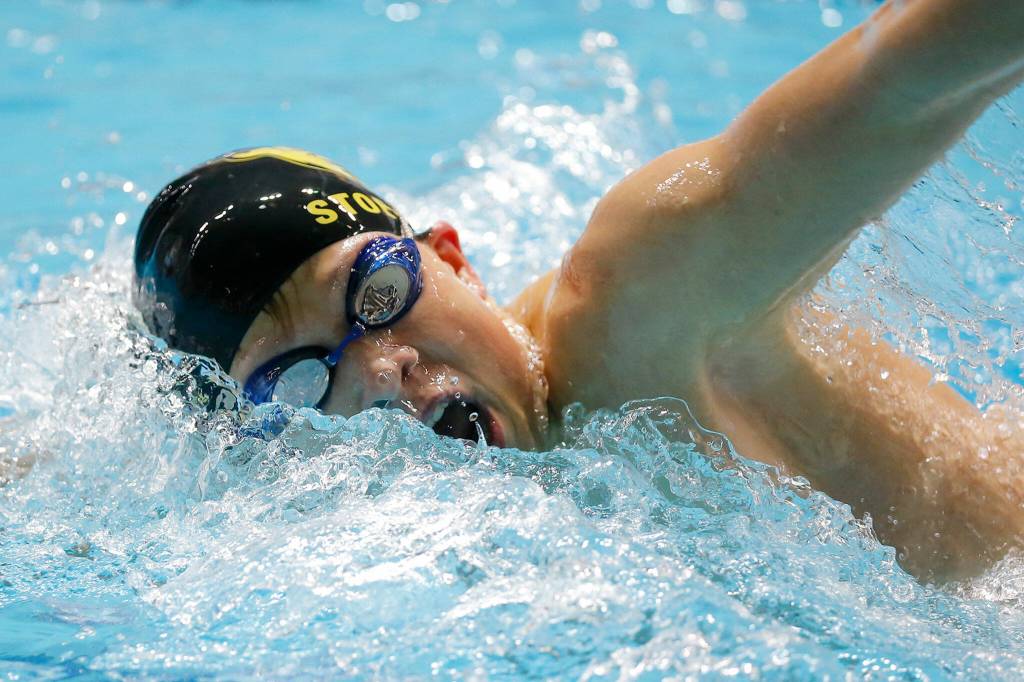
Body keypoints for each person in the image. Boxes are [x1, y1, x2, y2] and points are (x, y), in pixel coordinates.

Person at [134, 0, 1024, 582]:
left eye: (376, 293)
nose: (380, 370)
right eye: (297, 379)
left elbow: (904, 76)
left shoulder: (637, 305)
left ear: (452, 259)